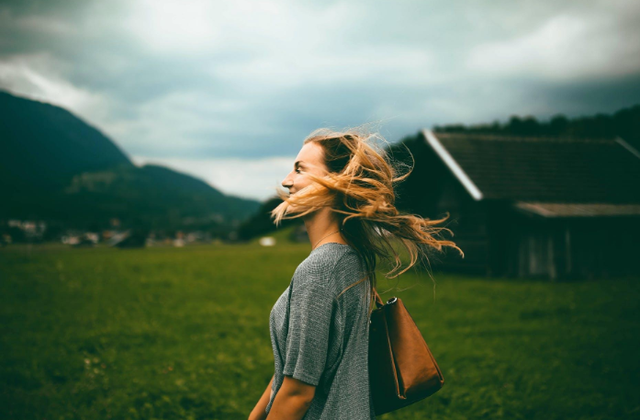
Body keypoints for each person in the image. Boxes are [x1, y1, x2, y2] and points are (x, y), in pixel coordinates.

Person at [248, 127, 463, 420]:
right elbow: (290, 370)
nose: (287, 181)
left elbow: (299, 392)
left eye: (300, 169)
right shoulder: (353, 259)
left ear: (335, 182)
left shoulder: (319, 270)